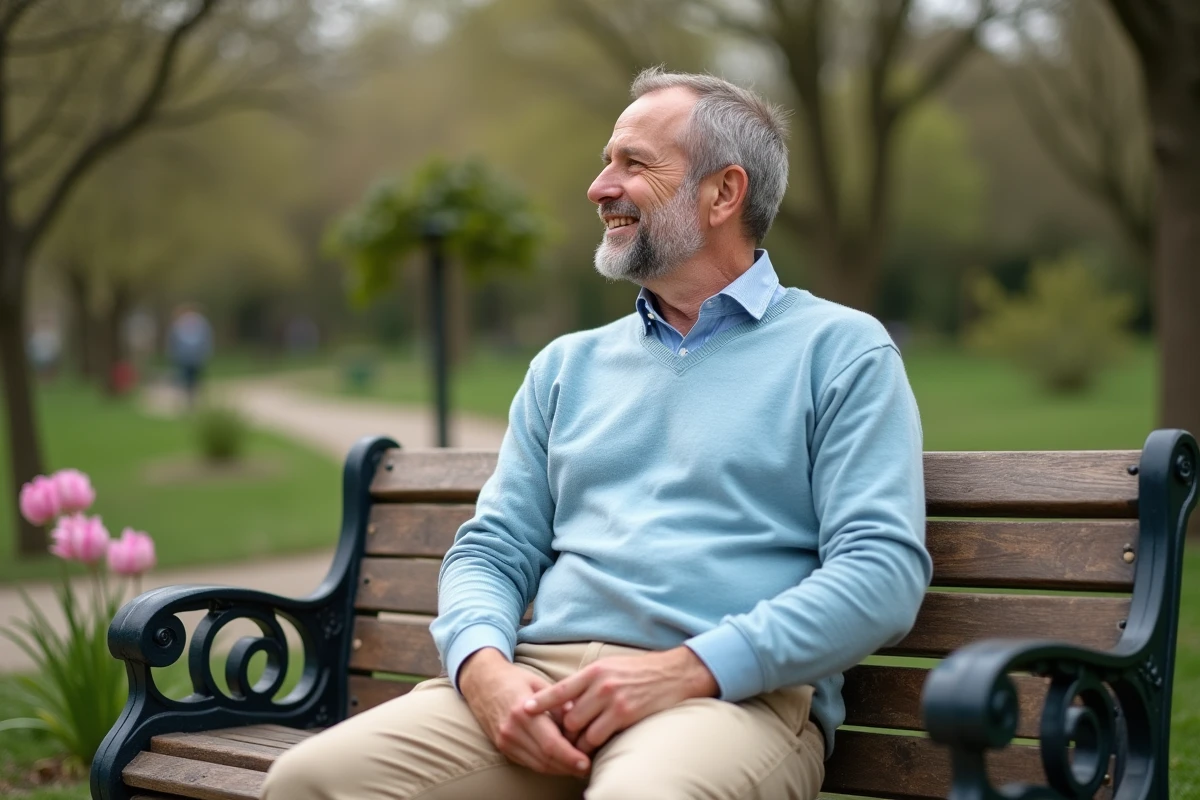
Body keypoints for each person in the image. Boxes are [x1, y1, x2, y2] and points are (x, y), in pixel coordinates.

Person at [264, 68, 931, 800]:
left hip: (729, 698)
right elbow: (493, 549)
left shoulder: (840, 351)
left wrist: (687, 669)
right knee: (308, 782)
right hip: (542, 683)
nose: (599, 187)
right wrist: (483, 668)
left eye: (634, 163)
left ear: (723, 194)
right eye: (606, 161)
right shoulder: (565, 366)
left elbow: (881, 573)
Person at [167, 304, 213, 409]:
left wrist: (205, 353)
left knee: (193, 380)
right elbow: (173, 340)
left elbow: (206, 339)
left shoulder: (201, 323)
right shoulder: (179, 324)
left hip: (194, 357)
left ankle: (191, 400)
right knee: (184, 379)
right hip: (184, 357)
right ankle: (187, 400)